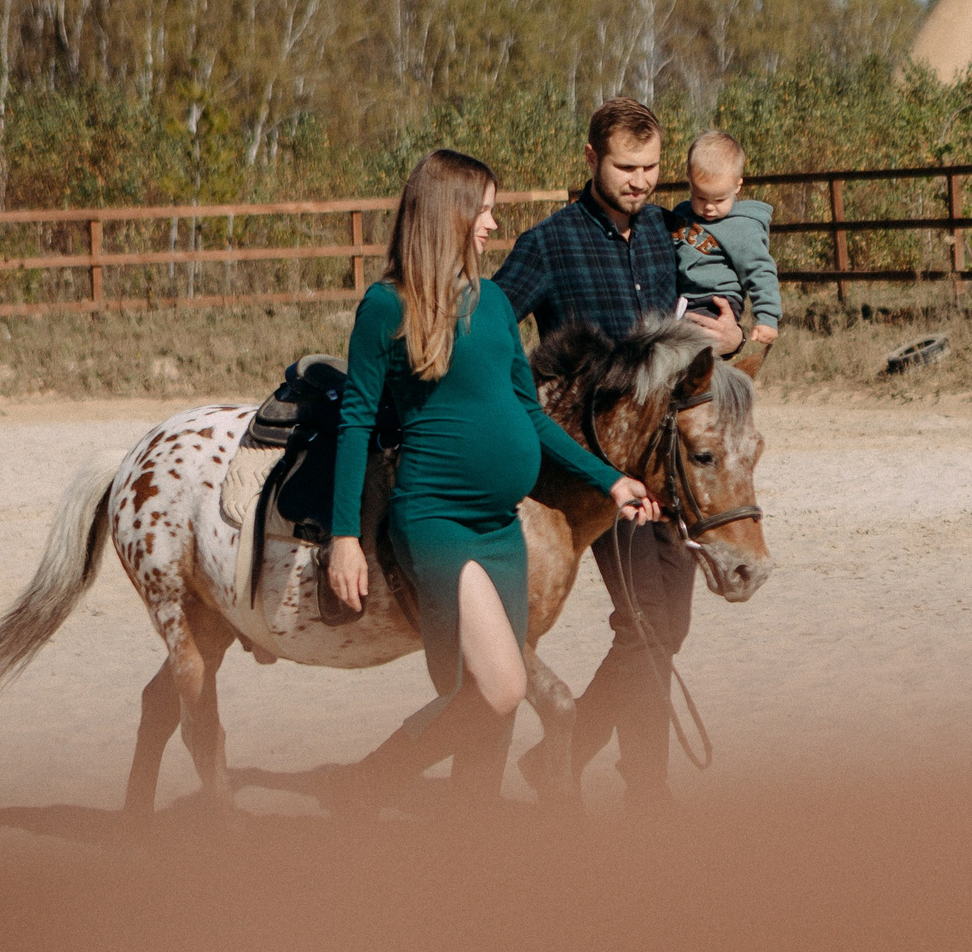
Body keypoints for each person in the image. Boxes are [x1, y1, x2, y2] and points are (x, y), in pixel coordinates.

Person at [325, 148, 660, 810]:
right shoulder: (385, 306)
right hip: (437, 521)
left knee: (491, 701)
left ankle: (464, 835)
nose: (492, 223)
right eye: (483, 209)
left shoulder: (497, 301)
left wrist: (612, 479)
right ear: (449, 214)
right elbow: (357, 419)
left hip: (500, 524)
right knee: (504, 685)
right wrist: (343, 536)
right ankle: (373, 777)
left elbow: (528, 413)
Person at [494, 98, 743, 802]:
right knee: (645, 622)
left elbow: (724, 309)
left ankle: (565, 760)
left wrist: (738, 337)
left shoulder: (671, 233)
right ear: (591, 161)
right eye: (626, 167)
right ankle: (646, 785)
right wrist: (525, 398)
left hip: (674, 462)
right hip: (596, 473)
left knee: (670, 624)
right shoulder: (549, 244)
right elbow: (491, 325)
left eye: (651, 167)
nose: (641, 181)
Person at [664, 130, 780, 360]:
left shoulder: (742, 228)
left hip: (716, 300)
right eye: (700, 197)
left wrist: (767, 317)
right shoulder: (681, 215)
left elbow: (760, 271)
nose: (708, 207)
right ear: (690, 181)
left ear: (737, 186)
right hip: (682, 300)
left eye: (719, 200)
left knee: (693, 353)